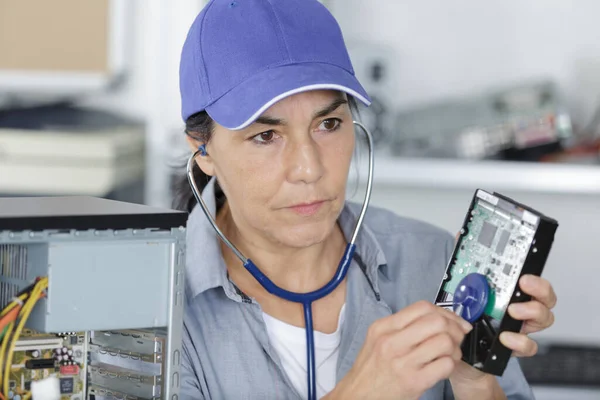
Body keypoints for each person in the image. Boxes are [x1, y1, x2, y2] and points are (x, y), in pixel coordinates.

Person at [174, 0, 557, 399]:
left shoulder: (435, 263)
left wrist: (474, 380)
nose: (309, 168)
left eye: (328, 124)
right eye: (266, 135)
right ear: (204, 150)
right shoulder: (152, 307)